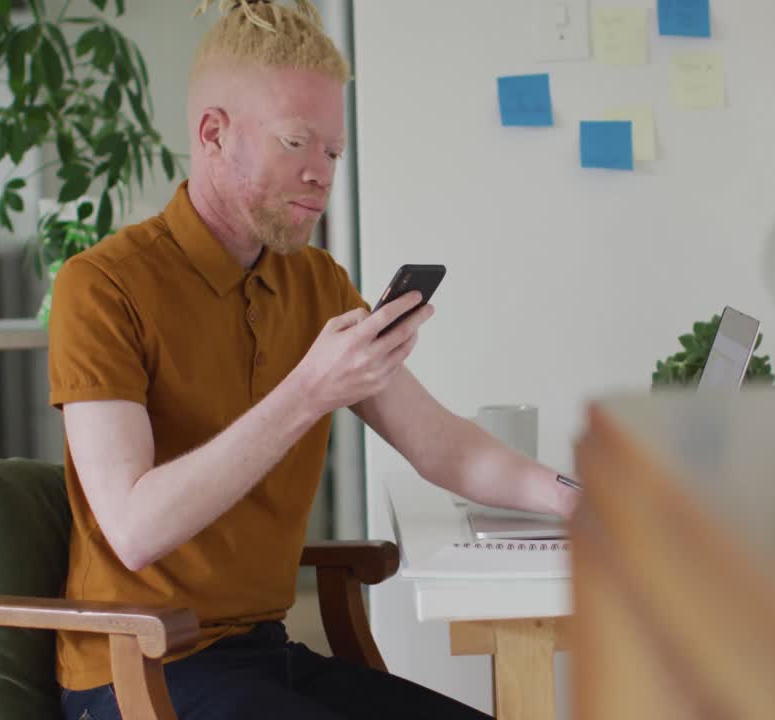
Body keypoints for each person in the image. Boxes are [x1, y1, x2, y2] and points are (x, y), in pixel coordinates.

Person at [47, 2, 577, 718]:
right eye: (297, 143)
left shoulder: (317, 283)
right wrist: (308, 392)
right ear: (213, 133)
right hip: (134, 674)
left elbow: (440, 444)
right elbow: (136, 531)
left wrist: (578, 498)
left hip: (265, 656)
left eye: (332, 152)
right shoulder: (103, 285)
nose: (319, 175)